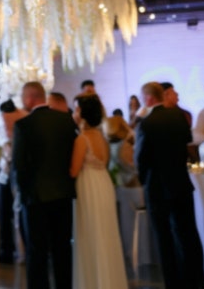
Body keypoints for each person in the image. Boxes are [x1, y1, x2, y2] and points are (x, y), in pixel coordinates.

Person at [135, 81, 204, 289]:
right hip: (181, 183)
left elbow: (141, 159)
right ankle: (196, 281)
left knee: (164, 239)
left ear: (148, 98)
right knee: (189, 234)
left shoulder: (146, 124)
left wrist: (143, 181)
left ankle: (173, 283)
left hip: (157, 187)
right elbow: (186, 144)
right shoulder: (178, 117)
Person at [12, 80, 77, 289]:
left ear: (30, 98)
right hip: (63, 195)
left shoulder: (23, 125)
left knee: (36, 253)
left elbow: (19, 166)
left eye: (23, 97)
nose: (23, 102)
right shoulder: (66, 121)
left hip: (35, 197)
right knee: (62, 249)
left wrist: (22, 195)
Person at [70, 95, 128, 289]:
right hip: (103, 184)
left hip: (88, 187)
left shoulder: (82, 139)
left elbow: (73, 170)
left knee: (91, 234)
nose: (74, 113)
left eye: (77, 110)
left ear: (83, 115)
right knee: (105, 233)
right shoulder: (102, 137)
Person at [0, 98, 26, 266]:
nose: (7, 124)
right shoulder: (1, 119)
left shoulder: (20, 119)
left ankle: (18, 251)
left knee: (16, 213)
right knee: (6, 213)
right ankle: (8, 249)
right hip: (6, 171)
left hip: (16, 172)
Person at [105, 113, 138, 187]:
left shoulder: (108, 145)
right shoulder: (124, 145)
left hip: (116, 182)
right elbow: (130, 165)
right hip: (129, 183)